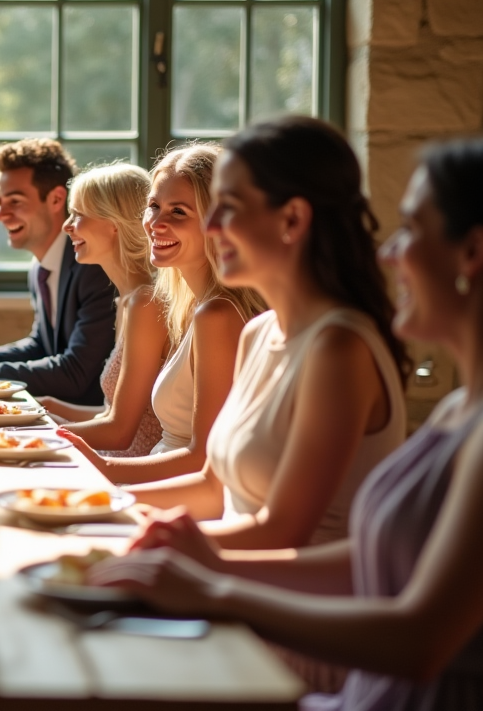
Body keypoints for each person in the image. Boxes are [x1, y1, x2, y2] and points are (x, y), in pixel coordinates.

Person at [92, 138, 483, 710]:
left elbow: (418, 634)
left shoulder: (340, 348)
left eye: (412, 229)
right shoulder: (454, 409)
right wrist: (124, 526)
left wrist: (211, 583)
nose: (390, 253)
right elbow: (370, 558)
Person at [98, 119, 407, 550]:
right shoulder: (258, 333)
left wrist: (156, 546)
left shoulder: (339, 348)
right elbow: (211, 489)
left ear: (293, 219)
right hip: (224, 575)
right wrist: (94, 503)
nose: (210, 227)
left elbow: (282, 533)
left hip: (285, 600)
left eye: (229, 206)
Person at [59, 144, 261, 477]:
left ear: (216, 223)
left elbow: (203, 463)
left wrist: (99, 469)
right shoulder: (187, 307)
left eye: (178, 212)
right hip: (152, 482)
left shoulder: (218, 315)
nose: (156, 222)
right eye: (153, 206)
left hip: (172, 498)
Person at [0, 139, 116, 405]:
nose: (1, 214)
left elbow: (76, 373)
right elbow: (41, 346)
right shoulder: (40, 269)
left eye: (15, 201)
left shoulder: (94, 266)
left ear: (57, 199)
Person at [43, 163, 166, 457]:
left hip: (129, 476)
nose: (66, 226)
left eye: (78, 215)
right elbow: (106, 414)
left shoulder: (146, 303)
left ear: (115, 223)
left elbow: (119, 433)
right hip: (110, 463)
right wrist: (42, 407)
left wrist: (37, 433)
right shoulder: (126, 302)